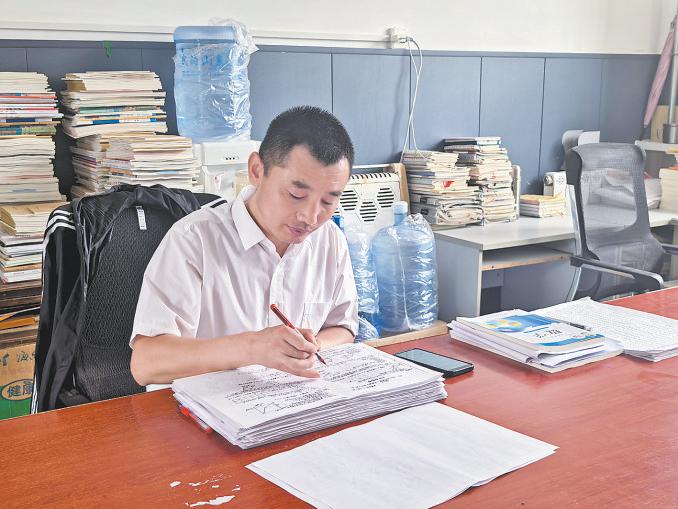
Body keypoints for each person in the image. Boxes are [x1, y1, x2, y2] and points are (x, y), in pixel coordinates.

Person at [129, 106, 358, 386]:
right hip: (203, 406)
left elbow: (343, 328)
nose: (310, 218)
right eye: (296, 194)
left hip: (289, 401)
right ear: (256, 170)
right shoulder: (194, 239)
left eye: (328, 201)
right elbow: (146, 363)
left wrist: (312, 346)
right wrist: (253, 348)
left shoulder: (330, 239)